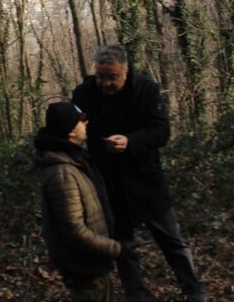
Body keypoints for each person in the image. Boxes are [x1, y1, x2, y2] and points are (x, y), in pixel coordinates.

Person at [72, 45, 206, 302]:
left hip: (146, 180)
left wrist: (131, 142)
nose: (105, 83)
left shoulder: (147, 90)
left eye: (112, 77)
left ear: (126, 72)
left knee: (170, 237)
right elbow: (76, 130)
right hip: (108, 180)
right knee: (122, 242)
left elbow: (161, 132)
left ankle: (193, 287)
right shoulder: (83, 93)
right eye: (101, 77)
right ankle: (137, 294)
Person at [35, 101, 128, 302]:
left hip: (94, 265)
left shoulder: (75, 161)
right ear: (70, 132)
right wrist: (117, 249)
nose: (86, 123)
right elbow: (74, 230)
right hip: (84, 268)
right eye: (81, 120)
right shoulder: (63, 173)